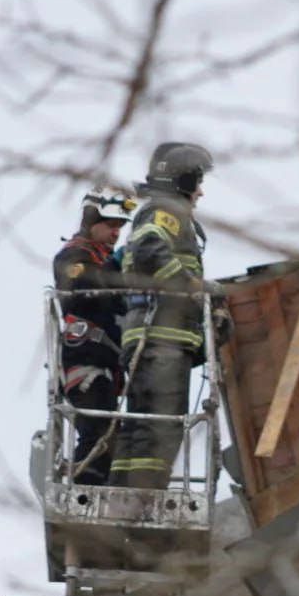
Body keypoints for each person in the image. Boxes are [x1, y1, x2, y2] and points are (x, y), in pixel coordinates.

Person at [109, 143, 229, 490]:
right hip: (161, 339)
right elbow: (148, 248)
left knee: (139, 426)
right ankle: (144, 506)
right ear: (183, 179)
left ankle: (123, 499)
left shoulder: (163, 211)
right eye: (198, 181)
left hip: (151, 337)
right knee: (160, 428)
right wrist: (194, 286)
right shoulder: (167, 210)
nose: (201, 192)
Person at [53, 186, 136, 485]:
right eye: (111, 225)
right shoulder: (74, 256)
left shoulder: (108, 260)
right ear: (91, 222)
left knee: (113, 434)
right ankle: (84, 496)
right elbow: (85, 282)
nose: (116, 234)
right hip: (84, 360)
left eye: (120, 227)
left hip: (109, 364)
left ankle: (101, 492)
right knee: (98, 432)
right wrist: (118, 266)